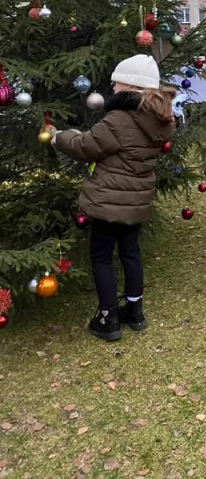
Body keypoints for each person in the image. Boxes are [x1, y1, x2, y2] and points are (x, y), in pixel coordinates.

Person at [53, 55, 176, 341]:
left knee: (102, 256)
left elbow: (86, 146)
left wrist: (60, 135)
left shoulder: (119, 119)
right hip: (137, 200)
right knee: (130, 252)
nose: (113, 86)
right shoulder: (159, 118)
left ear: (131, 85)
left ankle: (107, 318)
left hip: (108, 201)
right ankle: (136, 312)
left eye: (116, 82)